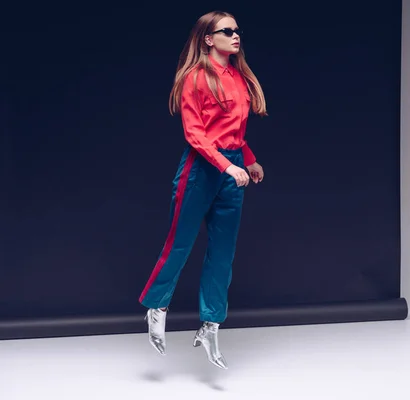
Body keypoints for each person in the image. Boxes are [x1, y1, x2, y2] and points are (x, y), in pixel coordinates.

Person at [138, 10, 267, 370]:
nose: (236, 35)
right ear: (209, 38)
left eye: (238, 30)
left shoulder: (239, 78)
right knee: (179, 242)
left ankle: (211, 324)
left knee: (223, 252)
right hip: (202, 169)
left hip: (232, 167)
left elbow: (234, 134)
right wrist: (228, 166)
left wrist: (249, 160)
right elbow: (195, 135)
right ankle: (156, 305)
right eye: (227, 31)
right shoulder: (195, 78)